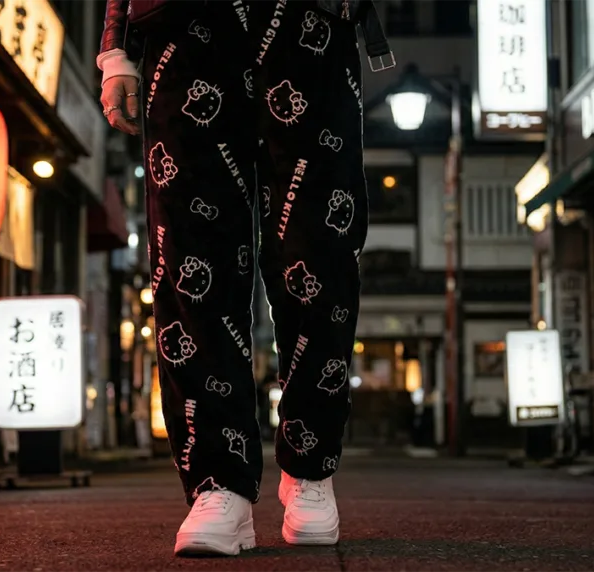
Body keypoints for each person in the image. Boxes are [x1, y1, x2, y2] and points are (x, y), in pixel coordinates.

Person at [97, 0, 393, 557]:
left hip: (313, 24)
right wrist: (116, 47)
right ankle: (220, 483)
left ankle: (309, 464)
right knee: (191, 262)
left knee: (320, 255)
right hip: (185, 24)